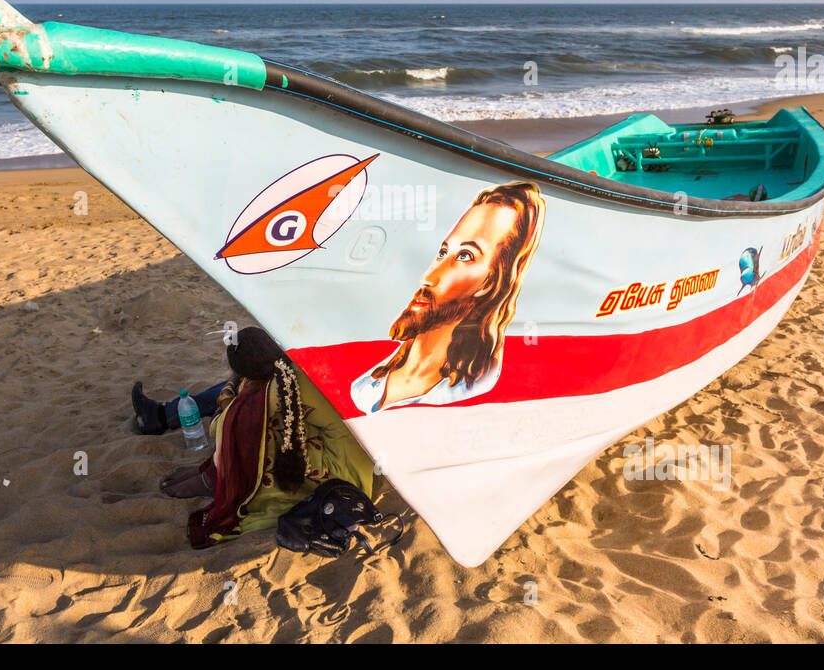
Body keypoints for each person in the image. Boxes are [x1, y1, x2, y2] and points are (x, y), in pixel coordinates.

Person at [143, 326, 375, 549]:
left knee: (257, 433)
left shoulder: (275, 390)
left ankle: (214, 478)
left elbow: (220, 427)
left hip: (346, 478)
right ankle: (210, 474)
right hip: (360, 447)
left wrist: (228, 392)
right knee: (276, 422)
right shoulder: (290, 369)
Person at [351, 181, 546, 413]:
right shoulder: (363, 387)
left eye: (465, 255)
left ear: (490, 282)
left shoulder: (471, 394)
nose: (428, 277)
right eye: (443, 252)